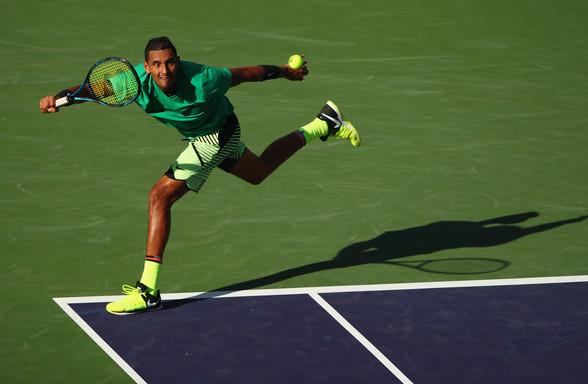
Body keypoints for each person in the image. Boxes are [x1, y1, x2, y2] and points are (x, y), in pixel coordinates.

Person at [39, 36, 361, 315]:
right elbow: (95, 89)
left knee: (158, 197)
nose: (165, 71)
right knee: (259, 171)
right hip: (213, 136)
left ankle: (148, 291)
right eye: (157, 65)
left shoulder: (204, 79)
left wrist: (286, 72)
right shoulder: (133, 82)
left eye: (170, 63)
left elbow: (247, 74)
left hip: (217, 135)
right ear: (146, 66)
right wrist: (58, 99)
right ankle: (325, 123)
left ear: (177, 62)